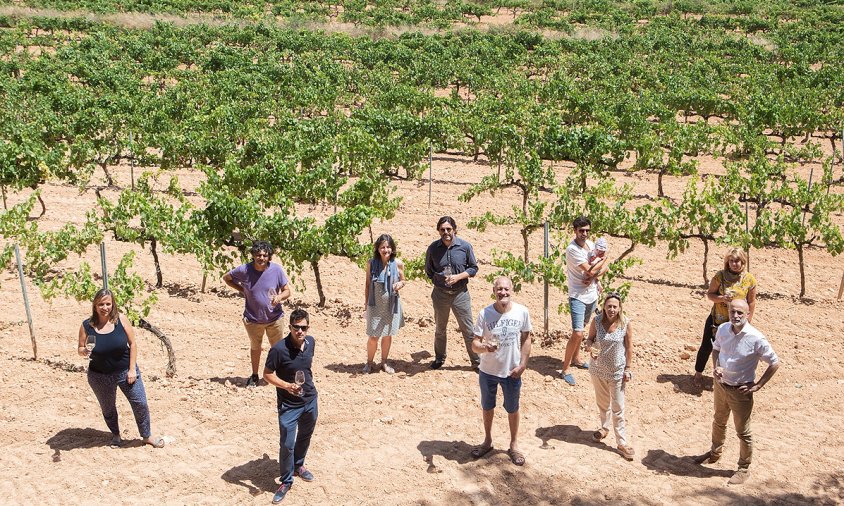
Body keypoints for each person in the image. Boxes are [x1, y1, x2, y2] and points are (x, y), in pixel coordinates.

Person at [696, 299, 779, 485]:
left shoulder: (756, 338)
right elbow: (716, 349)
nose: (736, 316)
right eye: (733, 311)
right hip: (721, 385)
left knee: (743, 432)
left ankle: (743, 468)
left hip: (741, 392)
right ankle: (714, 453)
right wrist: (716, 367)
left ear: (748, 314)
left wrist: (757, 385)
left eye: (740, 313)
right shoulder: (724, 329)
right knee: (718, 420)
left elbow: (775, 363)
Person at [77, 288, 164, 448]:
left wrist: (132, 369)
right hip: (99, 375)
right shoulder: (87, 326)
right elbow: (81, 349)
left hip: (125, 371)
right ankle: (115, 434)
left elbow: (133, 344)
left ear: (113, 304)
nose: (105, 308)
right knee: (108, 407)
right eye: (101, 304)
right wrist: (85, 351)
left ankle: (147, 435)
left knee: (140, 403)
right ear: (95, 306)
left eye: (108, 304)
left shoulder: (121, 320)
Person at [469, 277, 532, 466]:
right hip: (488, 371)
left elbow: (527, 338)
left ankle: (513, 445)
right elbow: (474, 344)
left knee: (512, 408)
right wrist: (484, 348)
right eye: (499, 289)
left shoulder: (522, 312)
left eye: (506, 289)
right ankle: (487, 441)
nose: (502, 293)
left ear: (511, 290)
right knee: (488, 406)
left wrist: (523, 364)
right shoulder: (485, 314)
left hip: (511, 371)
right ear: (493, 291)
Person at [263, 309, 318, 504]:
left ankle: (298, 465)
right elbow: (267, 374)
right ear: (290, 327)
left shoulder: (311, 343)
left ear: (308, 327)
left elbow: (306, 368)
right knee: (287, 444)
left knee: (305, 435)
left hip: (310, 400)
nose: (300, 332)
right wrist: (287, 386)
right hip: (289, 405)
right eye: (296, 328)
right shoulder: (278, 349)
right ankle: (286, 481)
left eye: (303, 327)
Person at [223, 241, 291, 387]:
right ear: (253, 255)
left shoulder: (277, 270)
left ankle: (277, 375)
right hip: (253, 319)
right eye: (258, 255)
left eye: (265, 255)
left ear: (269, 257)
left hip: (275, 318)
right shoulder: (244, 270)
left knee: (277, 348)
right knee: (256, 347)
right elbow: (226, 278)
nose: (261, 258)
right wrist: (242, 290)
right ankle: (255, 375)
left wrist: (279, 297)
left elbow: (287, 290)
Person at [694, 248, 757, 387]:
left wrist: (748, 320)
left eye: (737, 261)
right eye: (731, 261)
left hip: (736, 322)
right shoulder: (720, 276)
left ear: (743, 262)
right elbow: (710, 295)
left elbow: (751, 302)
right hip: (717, 320)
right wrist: (722, 298)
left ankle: (727, 378)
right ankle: (698, 374)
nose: (734, 264)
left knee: (732, 350)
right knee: (707, 347)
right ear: (727, 263)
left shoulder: (749, 280)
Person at [583, 292, 635, 461]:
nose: (611, 309)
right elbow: (589, 340)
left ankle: (622, 443)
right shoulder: (596, 321)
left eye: (615, 306)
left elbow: (629, 348)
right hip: (597, 370)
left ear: (619, 308)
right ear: (604, 306)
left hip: (617, 372)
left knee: (618, 407)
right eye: (609, 306)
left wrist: (628, 368)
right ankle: (604, 429)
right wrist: (590, 348)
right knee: (603, 403)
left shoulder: (625, 323)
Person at [424, 216, 480, 370]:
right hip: (440, 295)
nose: (446, 232)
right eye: (442, 230)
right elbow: (428, 271)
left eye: (449, 229)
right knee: (440, 329)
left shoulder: (465, 247)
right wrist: (440, 280)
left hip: (460, 294)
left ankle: (477, 362)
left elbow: (473, 268)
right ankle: (439, 359)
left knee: (468, 330)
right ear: (438, 231)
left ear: (454, 229)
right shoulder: (433, 248)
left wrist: (458, 277)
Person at [561, 216, 609, 385]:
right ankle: (565, 369)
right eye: (581, 231)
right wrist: (603, 260)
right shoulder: (572, 249)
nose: (585, 234)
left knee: (583, 328)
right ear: (574, 231)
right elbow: (591, 269)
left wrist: (596, 278)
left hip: (591, 295)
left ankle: (576, 359)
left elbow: (604, 268)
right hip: (577, 296)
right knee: (578, 332)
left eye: (587, 230)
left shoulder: (589, 245)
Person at [363, 234, 406, 374]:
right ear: (378, 249)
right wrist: (366, 304)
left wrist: (400, 284)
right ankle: (369, 363)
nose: (385, 250)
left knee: (387, 334)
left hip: (391, 304)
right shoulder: (371, 263)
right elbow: (368, 284)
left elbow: (403, 280)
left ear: (392, 249)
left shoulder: (398, 263)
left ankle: (384, 362)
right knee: (373, 336)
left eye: (388, 247)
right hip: (375, 304)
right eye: (382, 247)